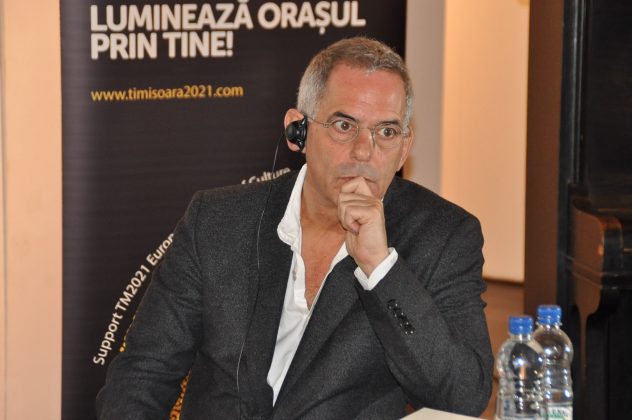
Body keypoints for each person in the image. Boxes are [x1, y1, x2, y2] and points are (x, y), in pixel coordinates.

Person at [96, 36, 493, 419]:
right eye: (344, 125)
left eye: (386, 132)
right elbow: (142, 375)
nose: (364, 151)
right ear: (297, 131)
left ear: (404, 148)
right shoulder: (217, 220)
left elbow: (462, 396)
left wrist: (379, 268)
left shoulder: (443, 236)